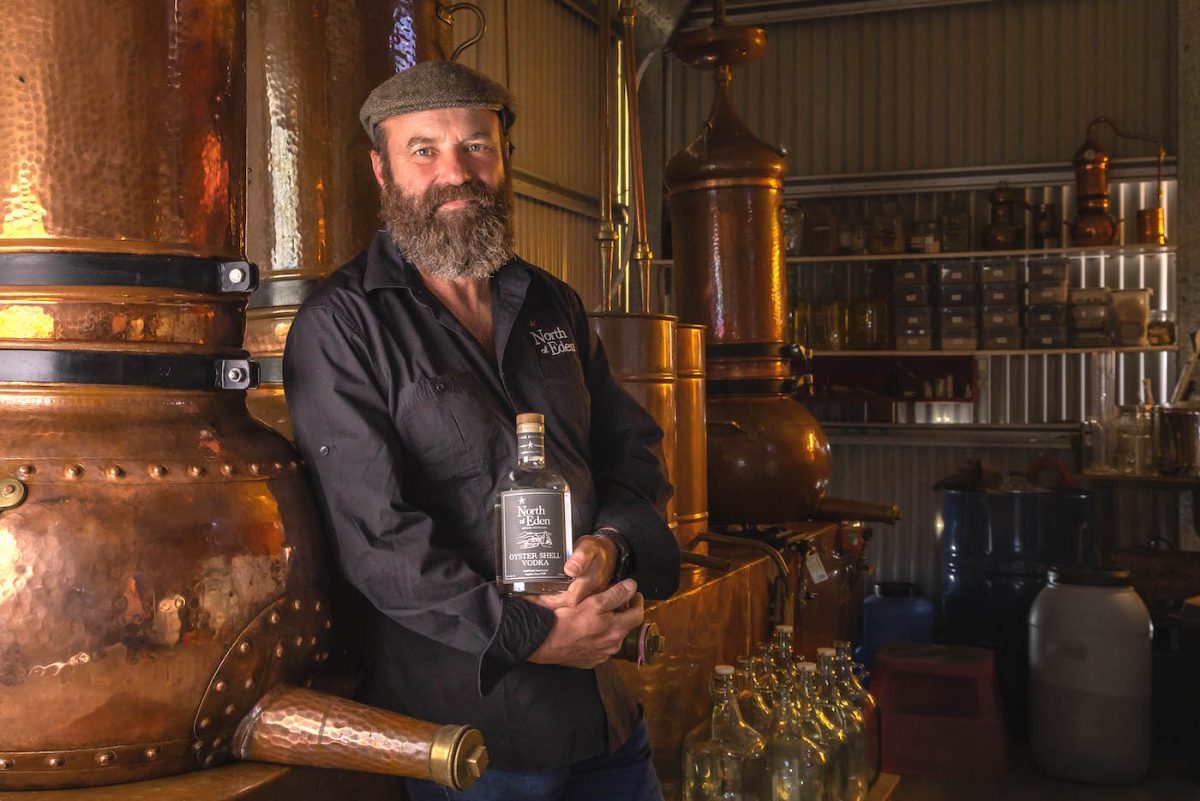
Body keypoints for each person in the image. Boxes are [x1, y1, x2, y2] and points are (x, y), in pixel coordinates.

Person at [282, 59, 681, 801]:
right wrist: (534, 634)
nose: (455, 171)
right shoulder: (342, 326)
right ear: (382, 168)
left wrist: (611, 545)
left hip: (605, 714)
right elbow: (378, 541)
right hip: (473, 742)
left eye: (477, 146)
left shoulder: (552, 304)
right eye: (424, 150)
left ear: (503, 161)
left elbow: (633, 451)